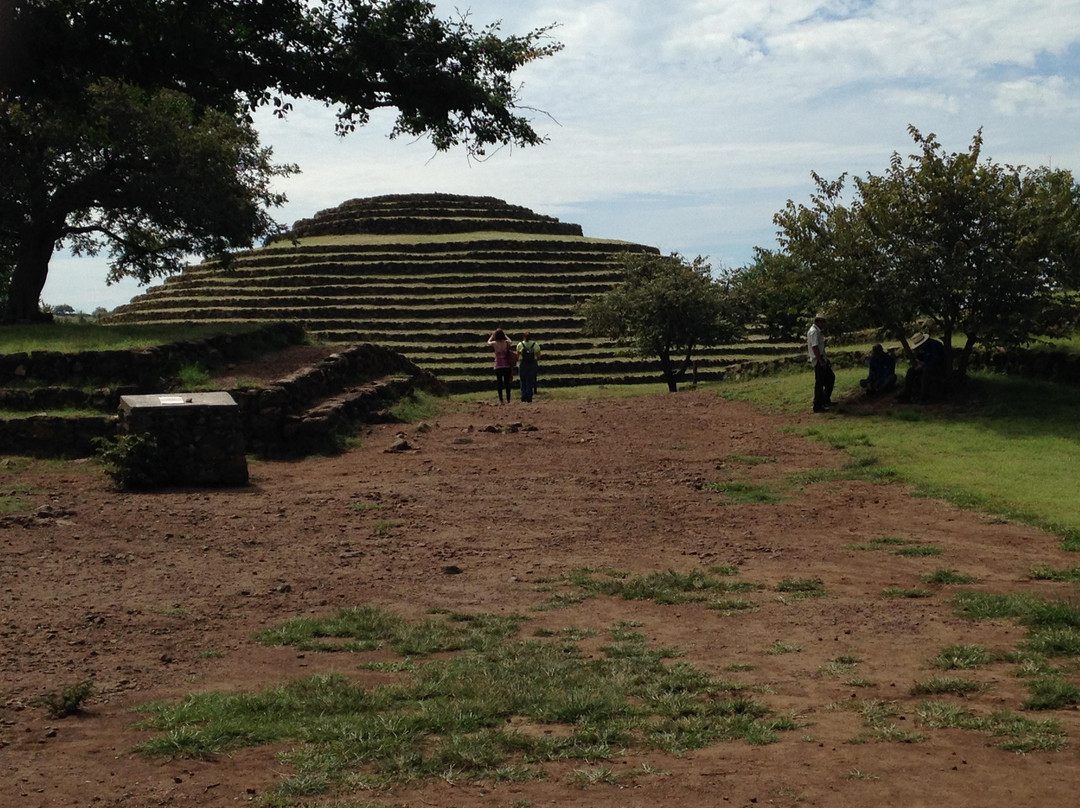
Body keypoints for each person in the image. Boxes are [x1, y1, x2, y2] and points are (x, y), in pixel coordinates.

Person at [897, 332, 945, 402]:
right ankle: (906, 395)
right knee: (911, 371)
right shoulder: (922, 349)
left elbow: (937, 359)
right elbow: (921, 359)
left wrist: (924, 365)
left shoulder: (935, 345)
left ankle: (924, 396)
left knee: (926, 371)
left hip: (938, 367)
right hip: (926, 366)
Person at [806, 314, 834, 413]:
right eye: (823, 322)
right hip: (818, 359)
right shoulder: (814, 332)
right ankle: (818, 404)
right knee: (821, 382)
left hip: (821, 358)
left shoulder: (816, 331)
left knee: (827, 379)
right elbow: (815, 347)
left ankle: (824, 400)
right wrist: (820, 360)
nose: (824, 324)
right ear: (819, 322)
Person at [487, 328, 516, 403]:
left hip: (498, 366)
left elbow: (488, 342)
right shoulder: (506, 342)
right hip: (506, 365)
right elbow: (511, 341)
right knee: (507, 383)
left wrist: (492, 336)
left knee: (499, 383)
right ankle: (508, 399)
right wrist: (506, 336)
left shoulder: (494, 343)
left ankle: (501, 399)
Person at [515, 331, 541, 402]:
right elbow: (539, 355)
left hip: (523, 364)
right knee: (530, 380)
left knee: (522, 380)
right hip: (532, 364)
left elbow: (517, 356)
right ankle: (529, 397)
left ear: (523, 337)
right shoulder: (535, 344)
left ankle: (523, 396)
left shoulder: (520, 344)